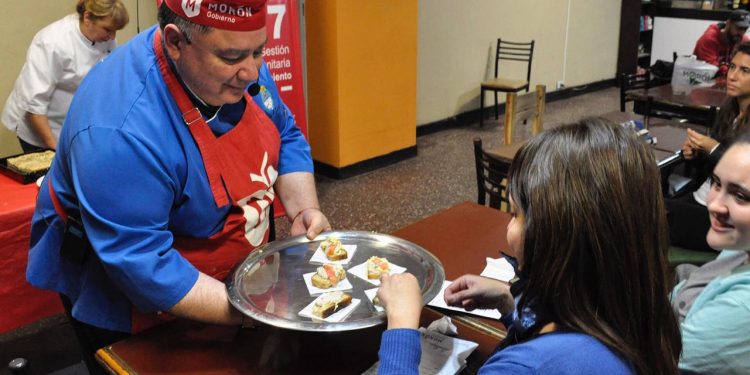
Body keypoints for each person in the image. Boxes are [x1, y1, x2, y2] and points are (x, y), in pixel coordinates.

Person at [25, 0, 330, 373]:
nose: (252, 72)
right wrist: (258, 312)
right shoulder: (119, 129)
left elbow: (286, 133)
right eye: (233, 57)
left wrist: (304, 211)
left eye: (259, 51)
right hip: (128, 281)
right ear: (174, 41)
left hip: (222, 263)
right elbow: (142, 261)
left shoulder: (238, 62)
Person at [376, 119, 681, 375]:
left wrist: (401, 325)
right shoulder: (638, 312)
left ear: (558, 236)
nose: (508, 229)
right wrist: (511, 305)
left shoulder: (524, 368)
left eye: (516, 214)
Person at [1, 0, 129, 152]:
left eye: (115, 31)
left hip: (73, 125)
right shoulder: (52, 42)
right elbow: (34, 107)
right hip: (42, 128)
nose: (113, 37)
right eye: (108, 30)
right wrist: (56, 150)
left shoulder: (105, 38)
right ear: (87, 17)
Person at [671, 132, 750, 374]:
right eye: (716, 183)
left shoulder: (741, 307)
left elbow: (658, 356)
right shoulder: (739, 246)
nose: (714, 204)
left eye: (740, 196)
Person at [667, 42, 750, 252]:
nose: (732, 76)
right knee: (649, 205)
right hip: (701, 197)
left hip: (723, 218)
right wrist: (695, 154)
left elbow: (742, 180)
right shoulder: (729, 111)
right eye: (732, 67)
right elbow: (710, 171)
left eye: (744, 71)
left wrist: (713, 148)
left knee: (650, 216)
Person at [694, 9, 750, 77]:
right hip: (703, 81)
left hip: (728, 81)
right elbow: (714, 70)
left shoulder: (743, 40)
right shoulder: (709, 39)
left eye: (745, 29)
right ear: (728, 23)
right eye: (739, 28)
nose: (741, 33)